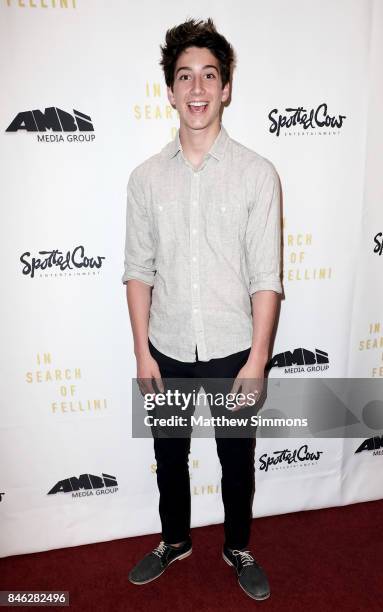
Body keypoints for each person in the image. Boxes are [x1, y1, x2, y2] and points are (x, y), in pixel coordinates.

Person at [122, 17, 283, 601]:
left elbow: (267, 278)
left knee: (237, 461)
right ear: (169, 90)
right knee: (169, 458)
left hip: (233, 349)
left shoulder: (258, 175)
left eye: (208, 76)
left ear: (226, 88)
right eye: (184, 76)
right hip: (164, 344)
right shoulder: (144, 180)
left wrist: (257, 360)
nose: (196, 89)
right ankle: (174, 540)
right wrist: (142, 352)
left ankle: (238, 545)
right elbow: (138, 272)